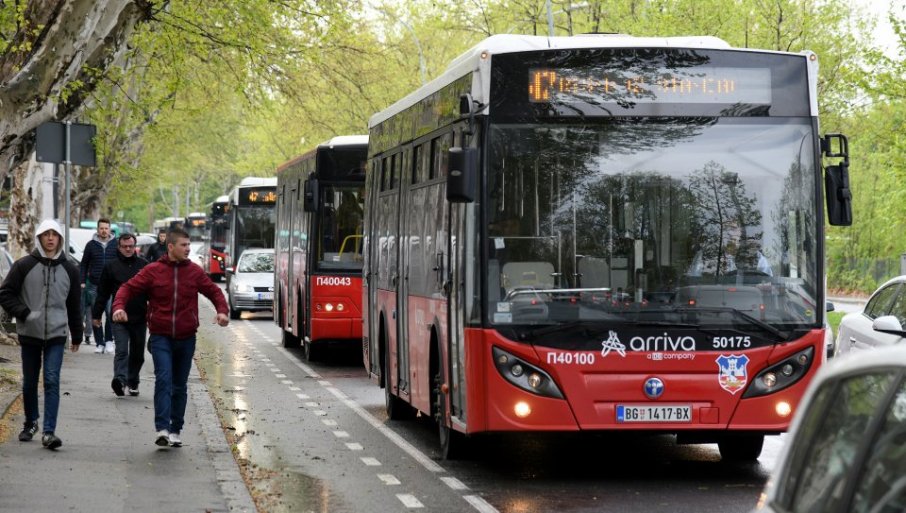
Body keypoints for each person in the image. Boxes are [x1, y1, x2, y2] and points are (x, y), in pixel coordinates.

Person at [112, 228, 229, 448]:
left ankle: (175, 429)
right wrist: (119, 307)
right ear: (171, 247)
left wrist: (222, 311)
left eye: (189, 245)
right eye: (184, 245)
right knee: (164, 379)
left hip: (186, 337)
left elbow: (214, 291)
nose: (188, 249)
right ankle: (162, 429)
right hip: (161, 336)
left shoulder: (194, 271)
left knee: (179, 385)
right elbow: (127, 288)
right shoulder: (153, 270)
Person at [0, 219, 83, 450]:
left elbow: (74, 304)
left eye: (54, 235)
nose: (50, 238)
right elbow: (5, 294)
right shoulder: (24, 265)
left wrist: (77, 333)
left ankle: (49, 432)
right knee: (29, 382)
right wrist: (24, 313)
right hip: (30, 333)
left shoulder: (70, 269)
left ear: (60, 239)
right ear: (39, 238)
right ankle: (30, 422)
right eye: (46, 234)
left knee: (52, 379)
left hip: (57, 333)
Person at [92, 233, 148, 397]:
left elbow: (153, 291)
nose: (128, 249)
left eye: (131, 246)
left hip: (139, 316)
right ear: (119, 247)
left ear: (135, 246)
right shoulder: (111, 267)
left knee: (138, 354)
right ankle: (120, 380)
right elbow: (102, 293)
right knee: (122, 350)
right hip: (118, 317)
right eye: (125, 246)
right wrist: (96, 315)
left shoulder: (144, 265)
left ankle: (133, 381)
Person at [81, 218, 118, 354]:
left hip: (110, 285)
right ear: (97, 229)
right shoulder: (90, 245)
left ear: (109, 229)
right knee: (95, 314)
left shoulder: (116, 244)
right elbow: (84, 264)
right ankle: (99, 343)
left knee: (110, 313)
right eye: (101, 228)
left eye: (106, 228)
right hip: (94, 285)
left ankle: (108, 341)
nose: (104, 231)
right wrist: (82, 280)